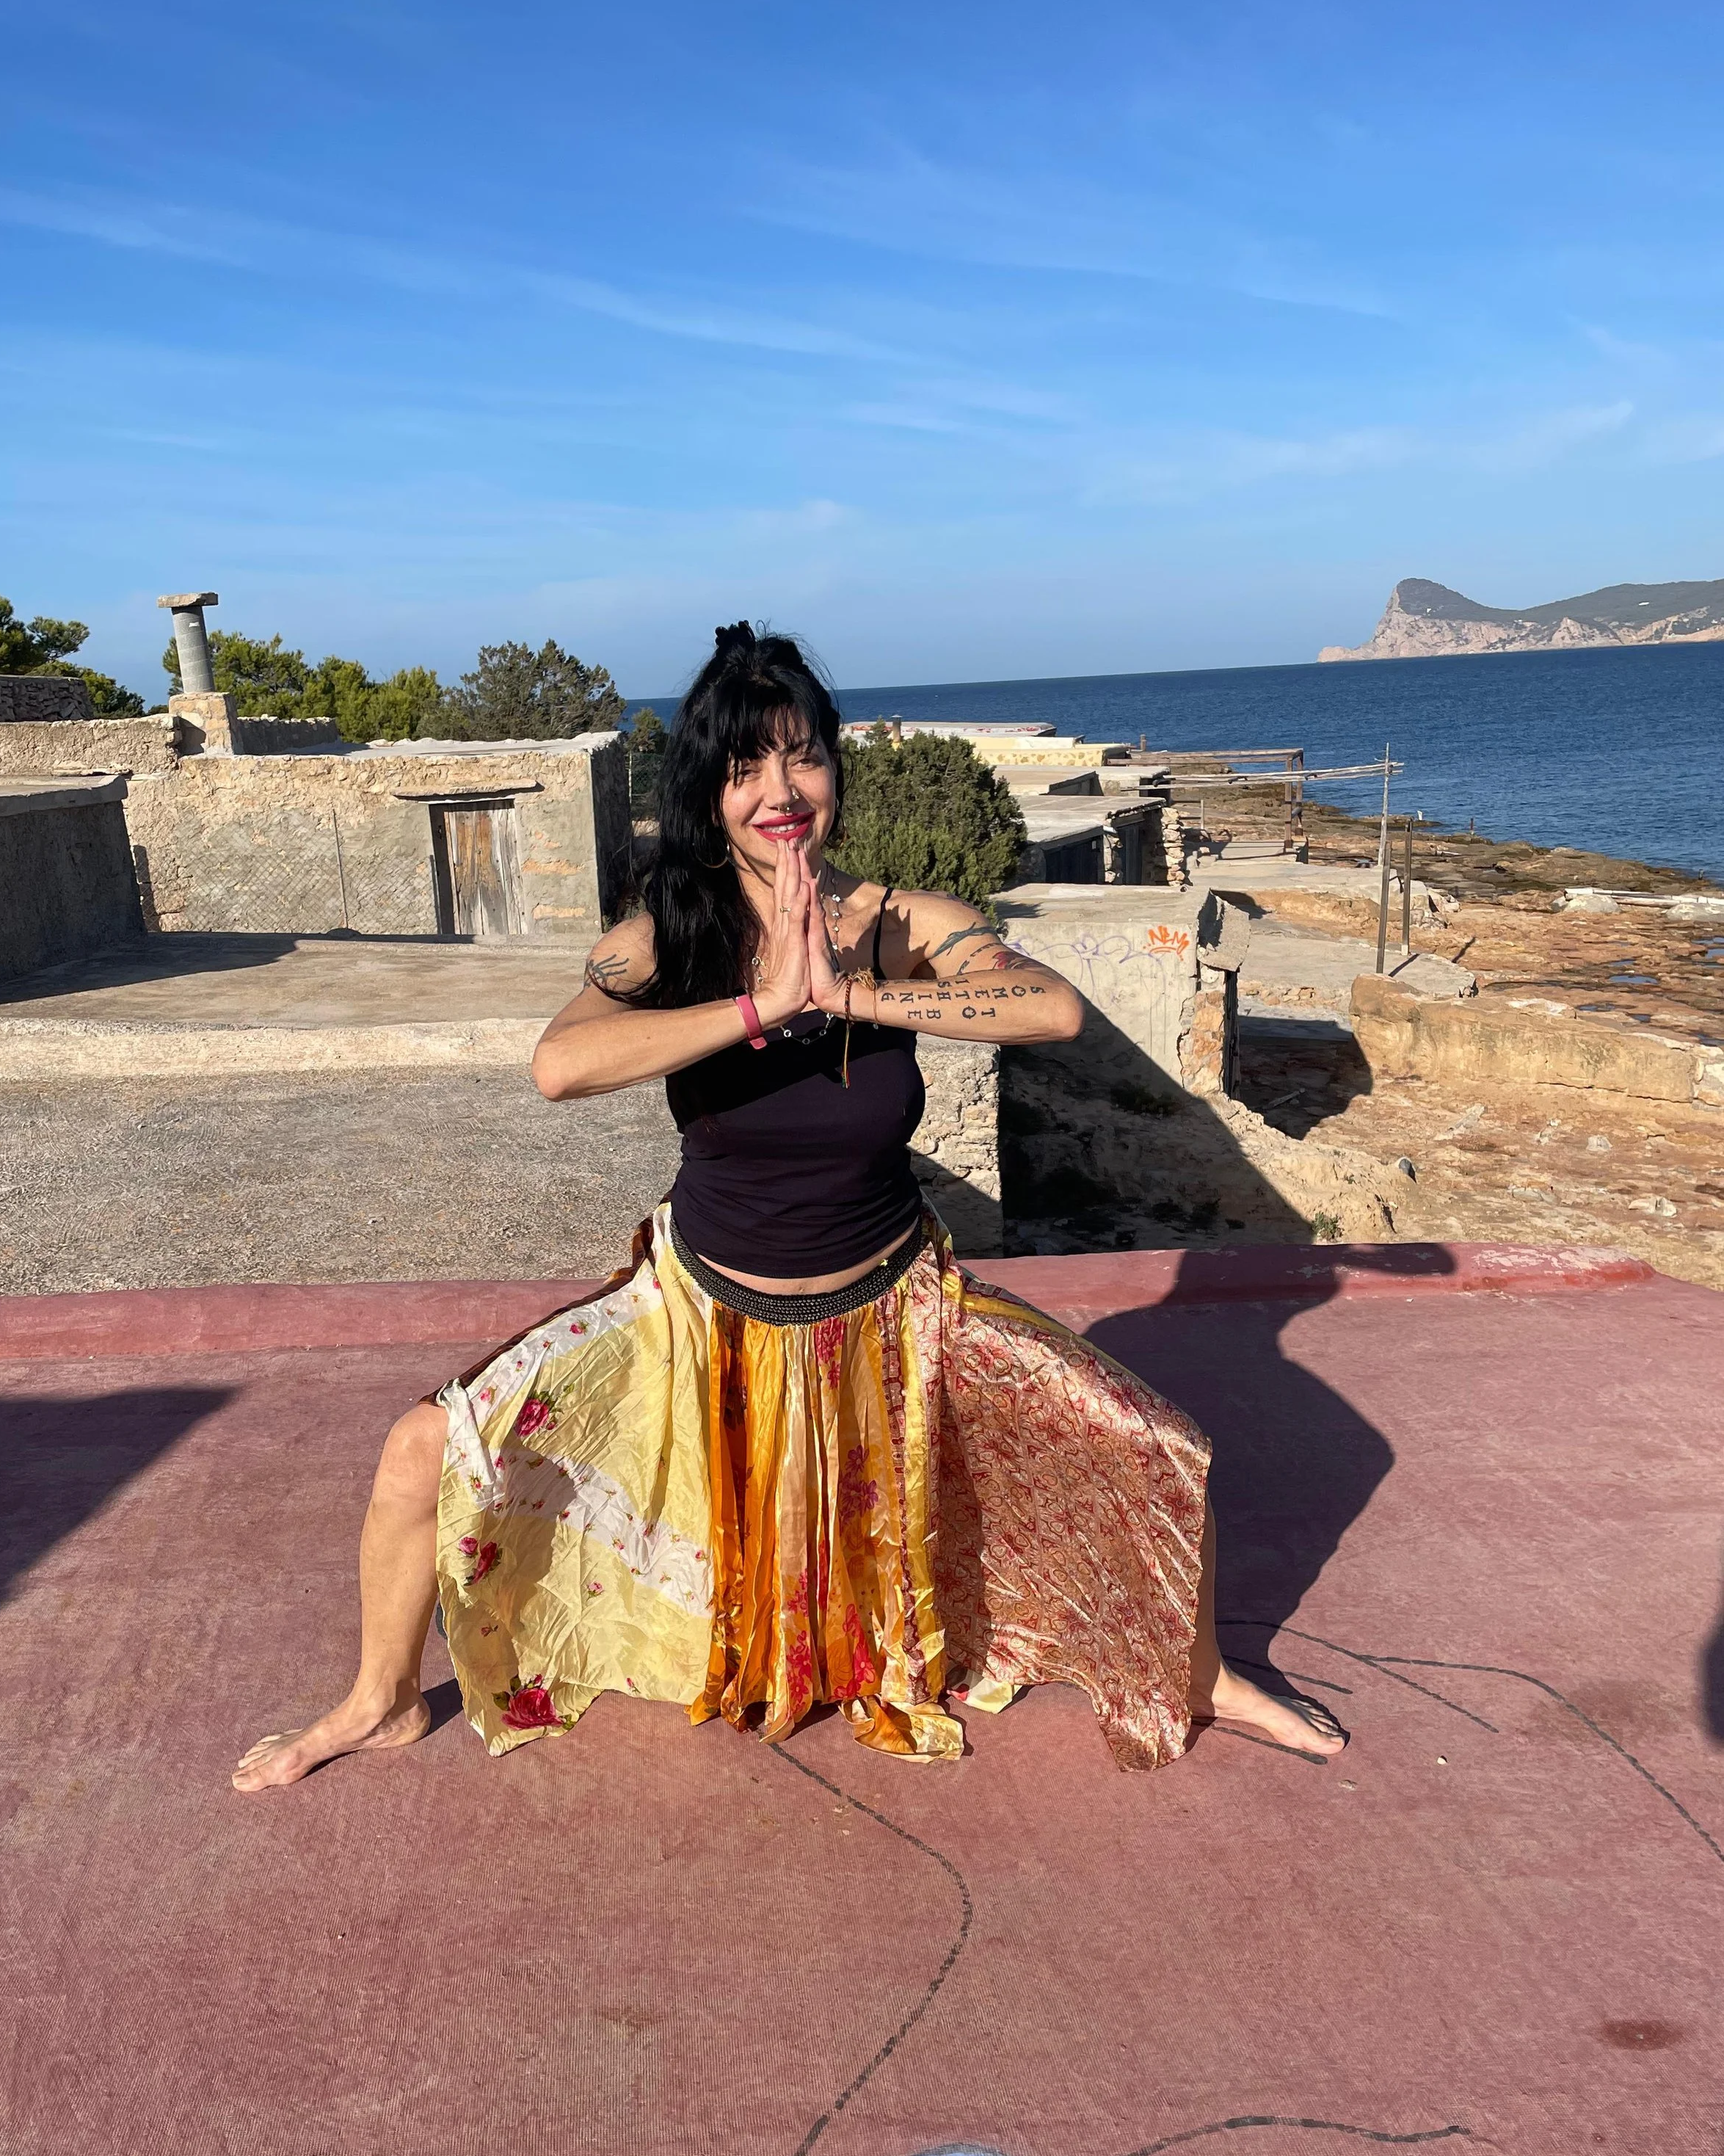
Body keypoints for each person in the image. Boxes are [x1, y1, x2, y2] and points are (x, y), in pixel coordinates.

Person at [234, 627, 1343, 1792]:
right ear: (709, 791)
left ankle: (1203, 1673)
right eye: (744, 767)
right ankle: (380, 1699)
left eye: (802, 758)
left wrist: (854, 993)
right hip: (695, 1322)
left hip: (900, 1317)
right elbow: (562, 1066)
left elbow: (1052, 1010)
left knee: (1154, 1444)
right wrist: (761, 1007)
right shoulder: (672, 932)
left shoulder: (907, 922)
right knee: (420, 1452)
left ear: (834, 771)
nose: (779, 791)